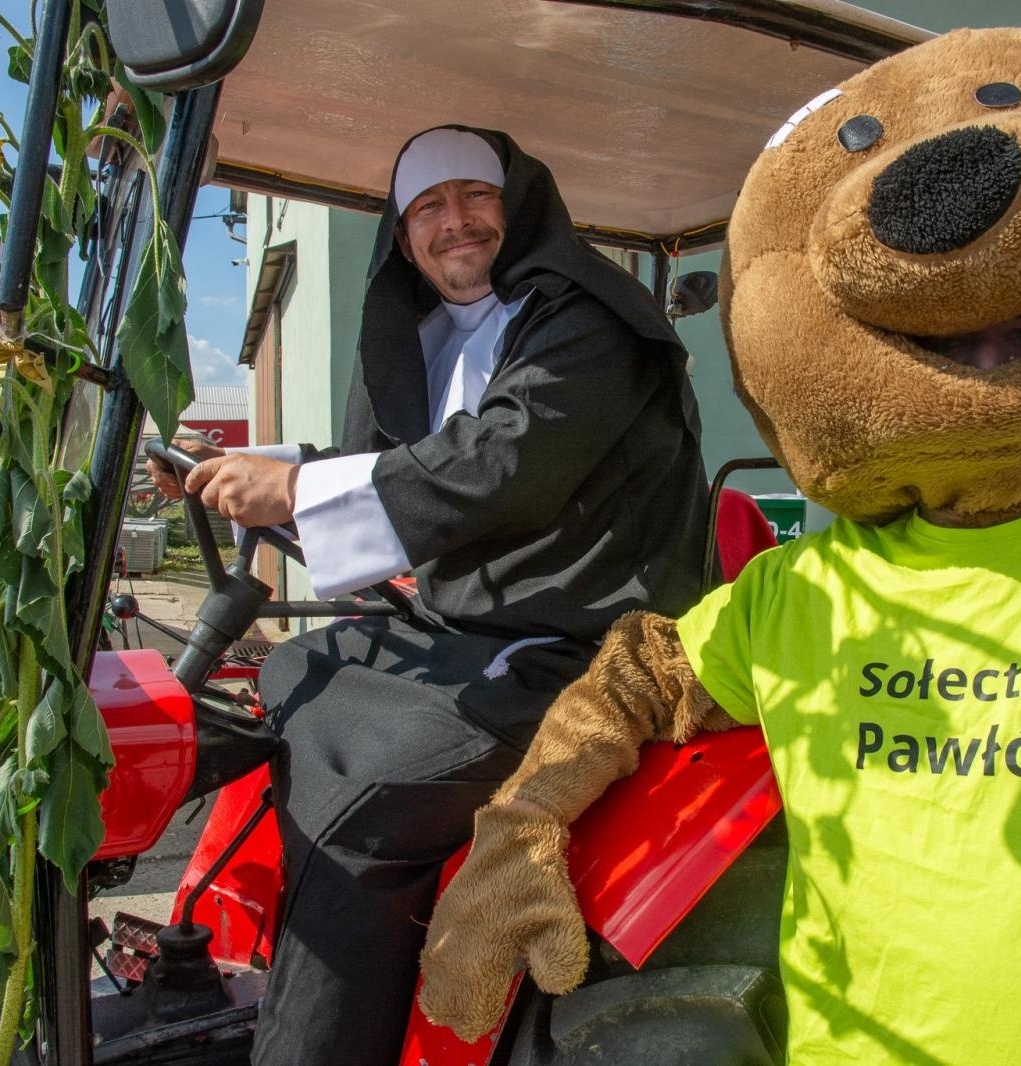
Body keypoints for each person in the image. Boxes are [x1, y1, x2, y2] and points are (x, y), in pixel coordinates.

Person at [152, 125, 708, 1062]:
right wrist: (240, 470)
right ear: (404, 237)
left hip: (585, 645)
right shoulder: (433, 336)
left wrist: (295, 490)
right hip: (475, 625)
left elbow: (501, 462)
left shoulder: (587, 322)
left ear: (518, 205)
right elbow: (401, 463)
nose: (456, 222)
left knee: (370, 794)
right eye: (428, 207)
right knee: (290, 674)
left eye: (474, 196)